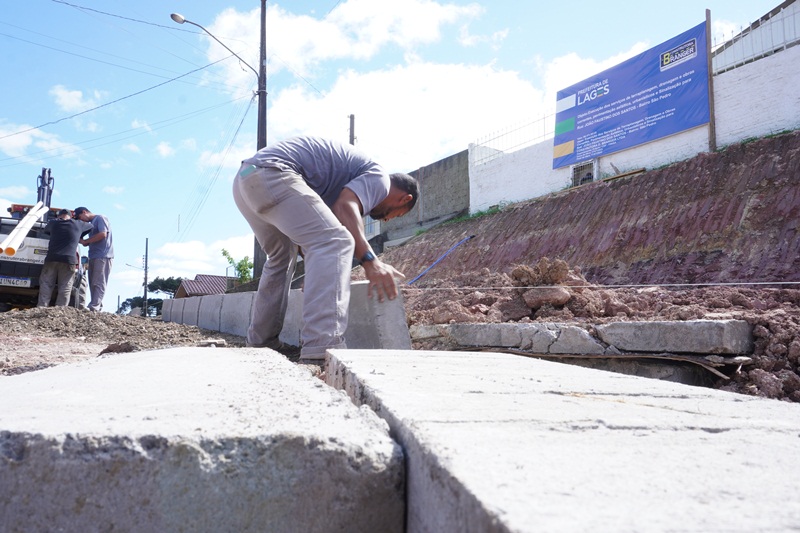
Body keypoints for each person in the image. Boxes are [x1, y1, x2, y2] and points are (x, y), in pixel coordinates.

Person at [233, 135, 419, 363]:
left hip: (246, 178)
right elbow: (345, 207)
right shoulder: (380, 179)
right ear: (403, 199)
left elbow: (309, 237)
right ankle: (322, 347)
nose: (388, 220)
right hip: (273, 173)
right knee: (337, 241)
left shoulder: (338, 184)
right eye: (395, 215)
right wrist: (371, 261)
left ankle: (261, 343)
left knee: (281, 258)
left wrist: (317, 276)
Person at [37, 209, 92, 307]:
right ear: (70, 216)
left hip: (52, 258)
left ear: (59, 216)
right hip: (69, 260)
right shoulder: (78, 224)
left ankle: (42, 307)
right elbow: (91, 226)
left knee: (46, 284)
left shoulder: (53, 223)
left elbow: (46, 231)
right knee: (65, 286)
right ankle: (60, 309)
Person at [73, 207, 113, 312]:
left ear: (84, 212)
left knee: (99, 281)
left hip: (103, 255)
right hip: (94, 255)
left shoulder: (100, 218)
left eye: (80, 217)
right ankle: (96, 305)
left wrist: (86, 241)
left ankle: (94, 306)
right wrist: (84, 242)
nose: (81, 220)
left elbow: (103, 234)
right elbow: (92, 240)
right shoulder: (91, 224)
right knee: (92, 283)